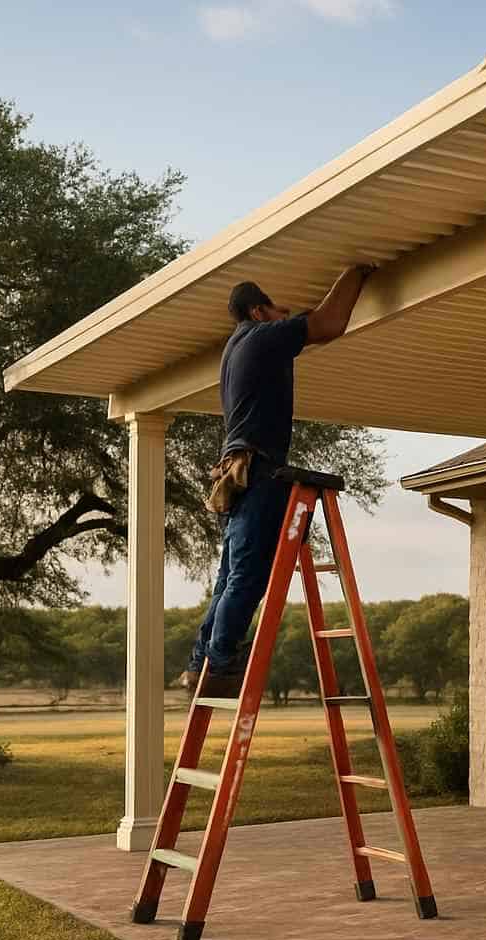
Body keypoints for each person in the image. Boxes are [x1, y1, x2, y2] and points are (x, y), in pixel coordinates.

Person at [182, 265, 375, 698]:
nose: (284, 313)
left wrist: (289, 318)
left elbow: (303, 325)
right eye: (275, 308)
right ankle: (224, 659)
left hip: (239, 473)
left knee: (230, 575)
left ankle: (203, 662)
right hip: (259, 474)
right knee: (247, 577)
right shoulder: (259, 336)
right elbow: (329, 324)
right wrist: (359, 270)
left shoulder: (236, 349)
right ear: (256, 309)